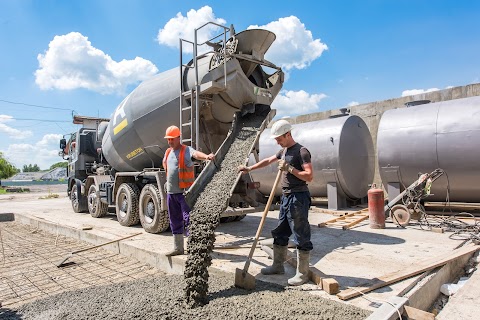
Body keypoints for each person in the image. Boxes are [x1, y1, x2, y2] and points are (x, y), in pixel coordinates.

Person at [238, 119, 313, 286]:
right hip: (286, 197)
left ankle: (302, 273)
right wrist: (249, 168)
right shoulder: (284, 151)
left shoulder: (302, 152)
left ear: (288, 134)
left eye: (279, 138)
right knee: (280, 232)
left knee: (301, 234)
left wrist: (290, 169)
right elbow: (267, 161)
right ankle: (278, 266)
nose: (277, 141)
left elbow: (309, 176)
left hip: (298, 198)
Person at [162, 125, 215, 256]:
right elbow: (165, 163)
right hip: (171, 193)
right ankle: (178, 248)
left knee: (189, 219)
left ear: (179, 138)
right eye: (168, 139)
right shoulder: (168, 152)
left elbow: (195, 154)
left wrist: (207, 157)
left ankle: (194, 248)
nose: (170, 142)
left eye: (172, 139)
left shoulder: (186, 150)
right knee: (174, 220)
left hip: (184, 194)